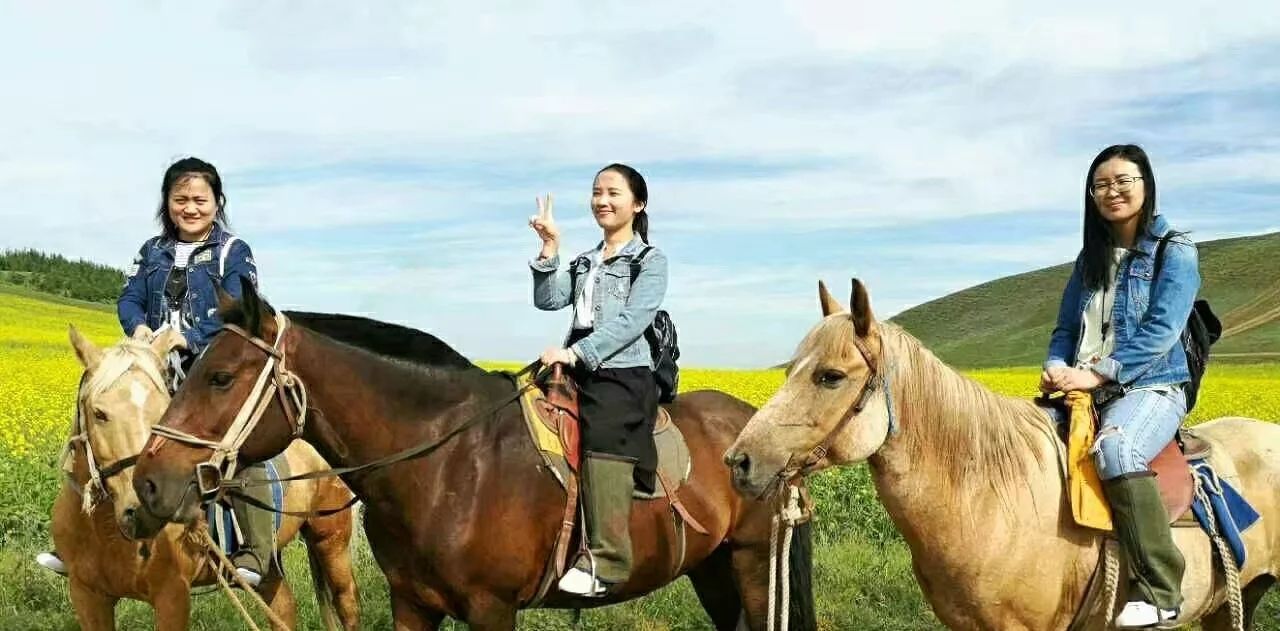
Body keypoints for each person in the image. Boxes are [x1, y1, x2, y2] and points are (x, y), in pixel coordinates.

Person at [38, 157, 273, 588]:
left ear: (217, 203)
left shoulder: (232, 251)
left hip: (207, 369)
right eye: (179, 199)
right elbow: (129, 298)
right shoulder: (152, 251)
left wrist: (189, 336)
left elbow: (242, 309)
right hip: (152, 366)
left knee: (242, 447)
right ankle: (72, 542)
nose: (190, 208)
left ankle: (257, 551)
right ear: (167, 203)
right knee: (94, 419)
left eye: (200, 199)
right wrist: (139, 327)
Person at [1042, 144, 1199, 627]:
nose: (1113, 191)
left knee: (1117, 450)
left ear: (1145, 185)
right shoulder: (1088, 259)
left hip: (1151, 386)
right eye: (1102, 185)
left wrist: (1097, 372)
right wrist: (1054, 364)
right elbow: (1066, 330)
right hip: (1082, 389)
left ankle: (1161, 589)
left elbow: (1162, 330)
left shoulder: (1176, 251)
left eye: (1123, 181)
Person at [528, 163, 668, 597]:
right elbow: (548, 300)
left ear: (637, 204)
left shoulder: (649, 260)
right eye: (596, 193)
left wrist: (576, 353)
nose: (602, 201)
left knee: (604, 430)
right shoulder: (587, 260)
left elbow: (633, 320)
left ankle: (608, 558)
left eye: (613, 193)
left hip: (621, 370)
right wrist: (550, 248)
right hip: (577, 364)